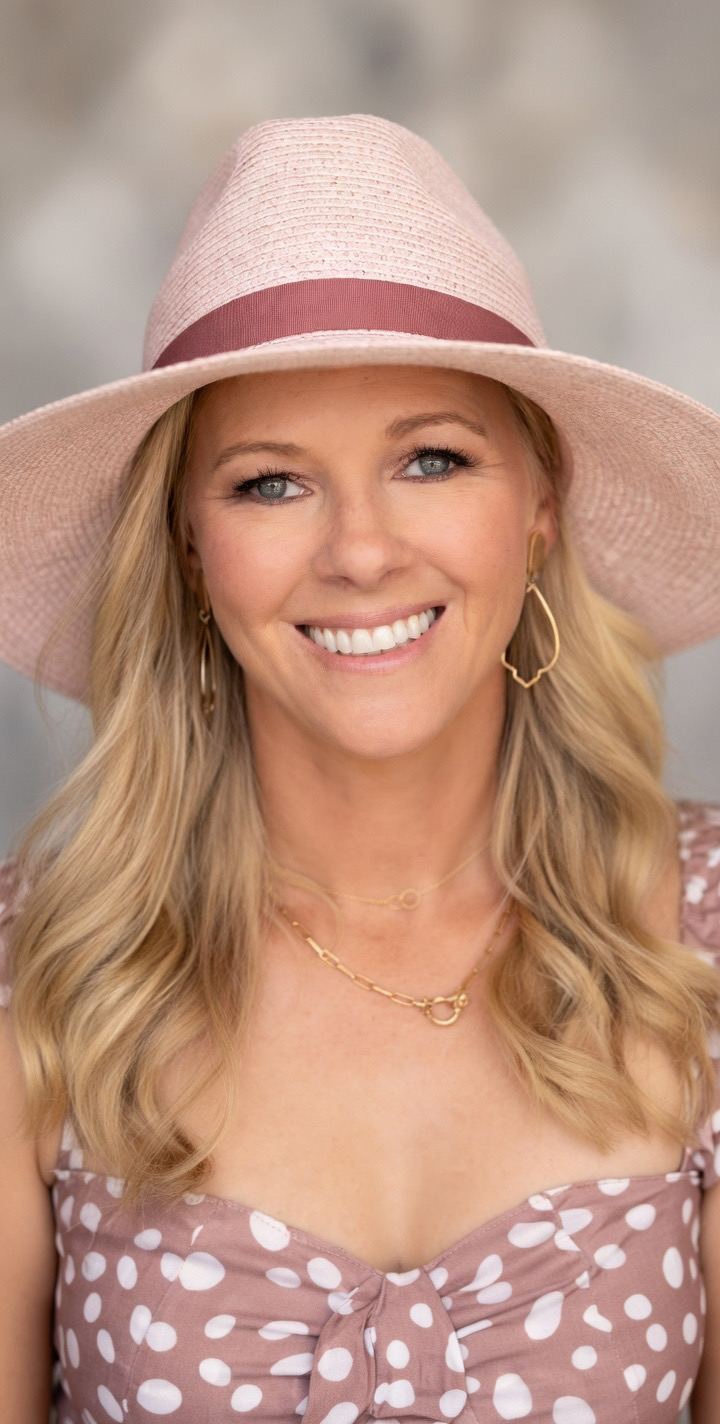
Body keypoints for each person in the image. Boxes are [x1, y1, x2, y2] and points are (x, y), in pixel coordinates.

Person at [0, 113, 719, 1424]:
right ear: (187, 546)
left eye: (432, 460)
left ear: (539, 504)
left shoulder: (702, 939)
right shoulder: (40, 970)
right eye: (272, 485)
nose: (363, 552)